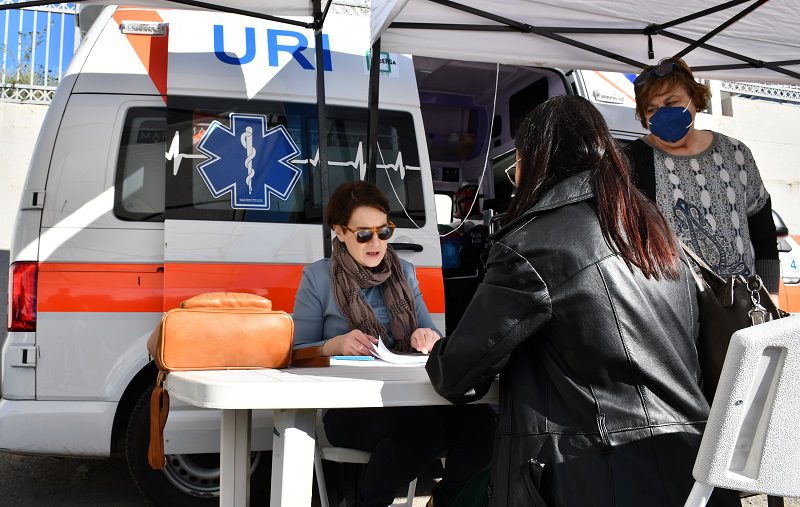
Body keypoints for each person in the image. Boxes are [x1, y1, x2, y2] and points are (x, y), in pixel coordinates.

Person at [426, 96, 738, 506]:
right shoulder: (655, 234)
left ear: (534, 158)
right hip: (690, 471)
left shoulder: (534, 242)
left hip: (588, 476)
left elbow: (457, 374)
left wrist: (435, 349)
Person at [293, 180, 495, 507]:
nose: (376, 242)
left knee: (481, 424)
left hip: (408, 398)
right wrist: (334, 345)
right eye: (363, 234)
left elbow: (434, 340)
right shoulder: (318, 277)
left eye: (383, 232)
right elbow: (295, 353)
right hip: (349, 407)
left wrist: (427, 339)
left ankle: (444, 502)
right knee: (422, 433)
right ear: (340, 232)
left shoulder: (405, 272)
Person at [626, 57, 780, 299]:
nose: (662, 115)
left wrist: (770, 293)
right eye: (652, 109)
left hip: (742, 305)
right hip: (675, 309)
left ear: (695, 100)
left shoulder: (736, 154)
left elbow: (762, 227)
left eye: (671, 102)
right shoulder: (632, 160)